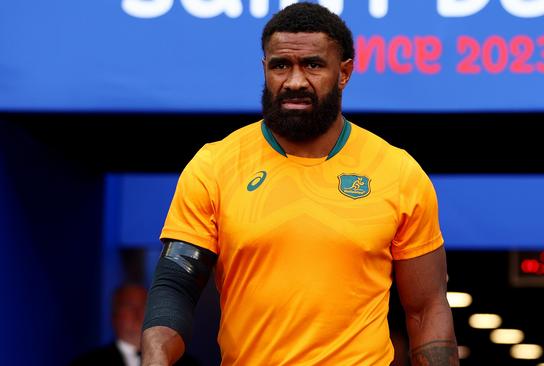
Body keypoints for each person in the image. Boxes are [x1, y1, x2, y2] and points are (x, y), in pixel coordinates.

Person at [141, 3, 458, 366]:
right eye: (280, 66)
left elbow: (426, 308)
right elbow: (176, 285)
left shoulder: (397, 172)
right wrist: (154, 356)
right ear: (265, 69)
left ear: (344, 72)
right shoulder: (214, 165)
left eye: (312, 64)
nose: (294, 81)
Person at [70, 284, 199, 366]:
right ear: (114, 316)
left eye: (144, 304)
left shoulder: (183, 363)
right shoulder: (87, 363)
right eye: (128, 305)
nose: (137, 312)